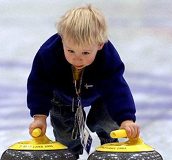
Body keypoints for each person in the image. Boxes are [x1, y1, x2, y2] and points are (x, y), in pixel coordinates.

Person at [27, 4, 140, 159]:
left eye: (86, 52)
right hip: (62, 97)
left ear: (100, 45)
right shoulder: (48, 55)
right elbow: (38, 85)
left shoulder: (108, 59)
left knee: (109, 121)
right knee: (66, 136)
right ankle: (69, 154)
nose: (77, 58)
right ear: (62, 39)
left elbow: (117, 90)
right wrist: (39, 116)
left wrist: (126, 119)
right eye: (70, 50)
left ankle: (108, 140)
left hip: (100, 94)